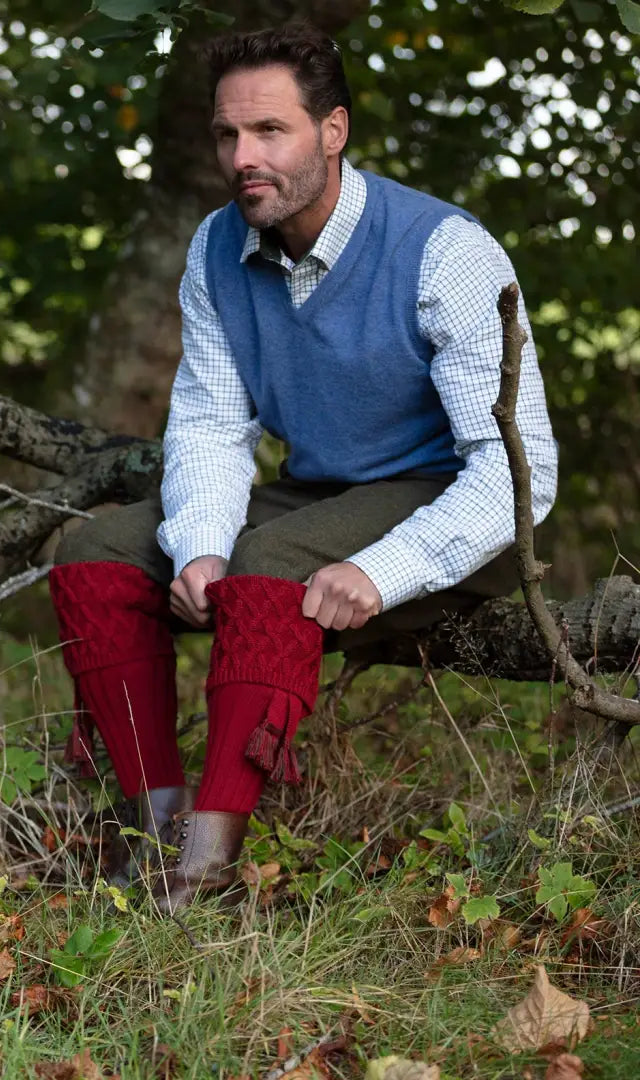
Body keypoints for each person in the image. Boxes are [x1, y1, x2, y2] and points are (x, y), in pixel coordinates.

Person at [48, 25, 557, 914]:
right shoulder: (218, 249)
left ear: (333, 131)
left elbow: (519, 472)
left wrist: (380, 571)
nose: (243, 157)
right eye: (226, 135)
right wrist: (200, 545)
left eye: (270, 132)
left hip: (452, 506)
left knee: (273, 569)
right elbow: (210, 420)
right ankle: (151, 828)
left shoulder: (445, 251)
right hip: (322, 491)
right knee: (97, 550)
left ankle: (205, 871)